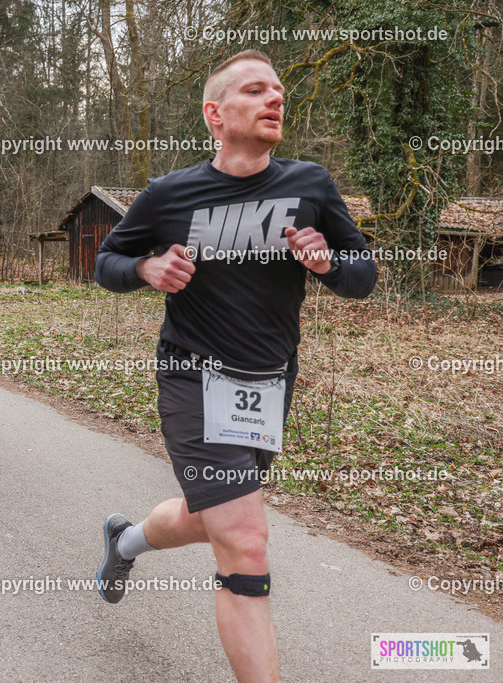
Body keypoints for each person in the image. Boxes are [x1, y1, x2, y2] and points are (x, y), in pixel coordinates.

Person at [93, 50, 376, 683]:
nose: (275, 99)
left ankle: (126, 540)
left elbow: (365, 275)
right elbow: (106, 261)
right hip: (192, 377)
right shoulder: (170, 194)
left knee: (209, 516)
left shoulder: (310, 185)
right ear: (214, 115)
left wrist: (329, 264)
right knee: (245, 542)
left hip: (268, 383)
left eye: (278, 90)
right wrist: (144, 269)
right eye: (256, 91)